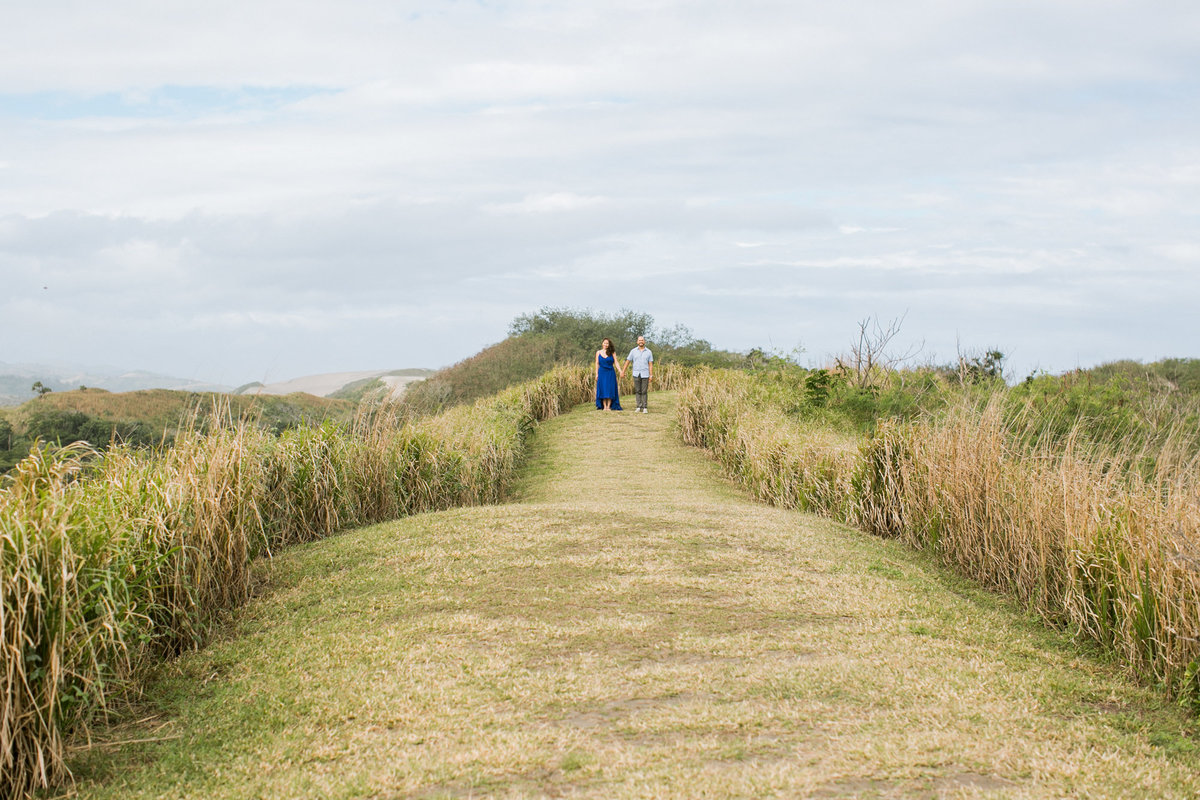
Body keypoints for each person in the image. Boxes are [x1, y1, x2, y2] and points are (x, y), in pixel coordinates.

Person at [625, 335, 653, 413]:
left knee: (644, 391)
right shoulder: (633, 351)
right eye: (639, 340)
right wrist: (623, 371)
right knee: (638, 390)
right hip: (636, 373)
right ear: (637, 342)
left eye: (642, 340)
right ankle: (638, 406)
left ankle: (644, 407)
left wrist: (651, 375)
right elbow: (628, 361)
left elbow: (650, 364)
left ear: (644, 342)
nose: (641, 341)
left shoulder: (649, 352)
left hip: (645, 374)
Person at [595, 338, 624, 411]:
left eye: (607, 343)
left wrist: (620, 371)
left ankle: (609, 406)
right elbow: (597, 363)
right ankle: (604, 406)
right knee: (603, 389)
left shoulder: (612, 352)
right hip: (602, 372)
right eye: (604, 343)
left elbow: (616, 362)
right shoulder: (598, 352)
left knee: (610, 388)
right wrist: (596, 374)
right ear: (602, 343)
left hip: (610, 372)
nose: (605, 344)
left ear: (609, 344)